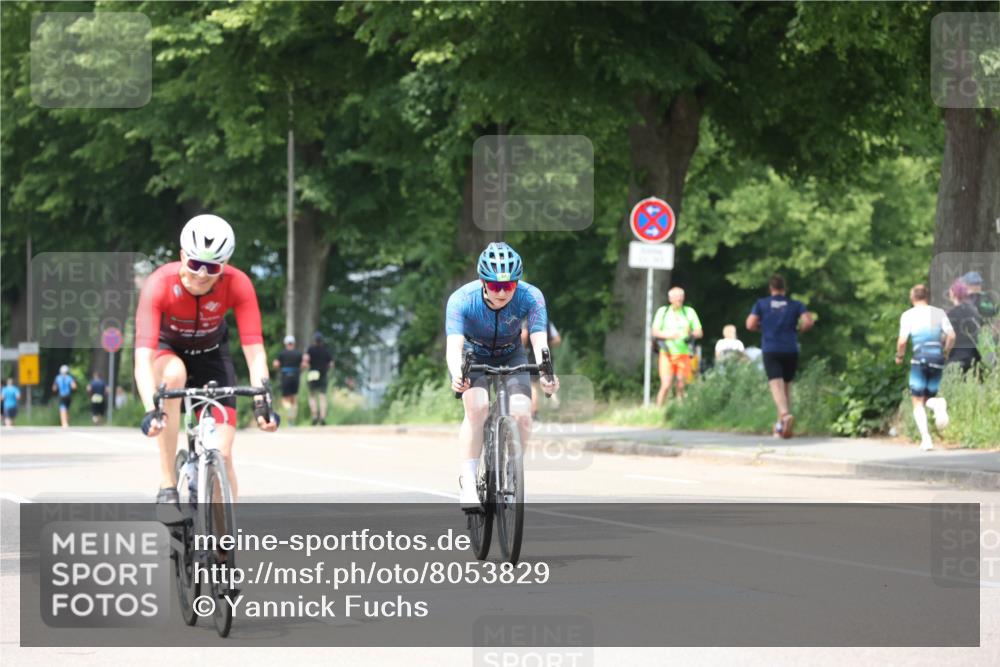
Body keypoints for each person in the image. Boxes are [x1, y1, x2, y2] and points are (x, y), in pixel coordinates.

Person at [134, 214, 279, 506]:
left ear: (224, 267)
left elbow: (254, 350)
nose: (201, 274)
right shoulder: (160, 283)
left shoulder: (238, 284)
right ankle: (168, 484)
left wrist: (263, 401)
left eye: (212, 267)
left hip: (213, 355)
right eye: (195, 264)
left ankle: (224, 545)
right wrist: (151, 408)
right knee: (173, 375)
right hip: (168, 351)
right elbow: (142, 357)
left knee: (223, 454)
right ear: (182, 256)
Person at [446, 242, 559, 509]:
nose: (503, 292)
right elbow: (454, 346)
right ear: (483, 282)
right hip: (474, 355)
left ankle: (511, 470)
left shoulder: (531, 296)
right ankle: (470, 481)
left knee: (523, 414)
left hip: (511, 354)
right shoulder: (462, 299)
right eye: (496, 286)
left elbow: (540, 340)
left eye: (509, 286)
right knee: (477, 408)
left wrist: (547, 373)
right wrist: (456, 374)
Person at [746, 274, 814, 439]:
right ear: (785, 288)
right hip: (791, 349)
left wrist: (761, 327)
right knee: (785, 388)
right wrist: (799, 330)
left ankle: (784, 415)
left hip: (771, 348)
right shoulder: (795, 304)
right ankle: (780, 428)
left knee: (776, 386)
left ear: (771, 288)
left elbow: (750, 324)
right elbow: (808, 321)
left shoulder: (762, 304)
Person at [896, 283, 955, 451]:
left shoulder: (908, 315)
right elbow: (951, 336)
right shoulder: (938, 313)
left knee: (917, 400)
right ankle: (937, 403)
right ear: (927, 297)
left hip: (919, 358)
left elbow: (902, 341)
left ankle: (926, 439)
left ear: (912, 298)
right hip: (937, 357)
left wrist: (899, 356)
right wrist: (945, 352)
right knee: (929, 397)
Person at [651, 287, 703, 407]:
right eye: (676, 297)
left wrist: (690, 333)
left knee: (681, 384)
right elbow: (655, 332)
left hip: (684, 353)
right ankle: (658, 410)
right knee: (666, 384)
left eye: (680, 296)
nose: (678, 299)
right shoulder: (663, 312)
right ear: (670, 299)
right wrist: (670, 335)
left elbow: (699, 332)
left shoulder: (689, 312)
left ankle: (680, 411)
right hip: (667, 353)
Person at [521, 317, 562, 419]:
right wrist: (547, 345)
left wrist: (523, 347)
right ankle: (555, 401)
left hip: (532, 356)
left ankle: (534, 412)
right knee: (548, 379)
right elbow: (557, 339)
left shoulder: (527, 323)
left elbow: (524, 337)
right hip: (546, 356)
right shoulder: (548, 322)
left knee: (533, 385)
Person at [945, 279, 981, 375]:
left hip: (956, 358)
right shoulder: (974, 312)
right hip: (974, 357)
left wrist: (945, 353)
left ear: (953, 294)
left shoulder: (950, 314)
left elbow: (949, 337)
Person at [303, 331, 334, 426]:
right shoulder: (326, 350)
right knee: (322, 397)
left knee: (312, 396)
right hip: (323, 374)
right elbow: (331, 364)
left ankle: (314, 415)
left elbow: (305, 361)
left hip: (313, 373)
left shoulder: (310, 349)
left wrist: (308, 366)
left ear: (314, 340)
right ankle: (323, 417)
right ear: (322, 341)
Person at [273, 335, 303, 422]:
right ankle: (292, 417)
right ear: (294, 343)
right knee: (294, 397)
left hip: (285, 376)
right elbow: (303, 365)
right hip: (296, 376)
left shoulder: (282, 353)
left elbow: (276, 364)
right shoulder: (298, 353)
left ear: (285, 343)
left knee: (285, 397)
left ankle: (287, 416)